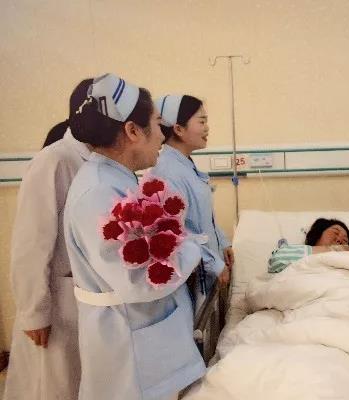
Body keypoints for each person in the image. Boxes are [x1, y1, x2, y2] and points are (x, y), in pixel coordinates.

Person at [64, 74, 223, 400]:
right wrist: (192, 248)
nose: (162, 135)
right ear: (133, 131)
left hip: (144, 335)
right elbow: (141, 279)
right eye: (156, 124)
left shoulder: (117, 179)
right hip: (129, 345)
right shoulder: (100, 192)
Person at [3, 78, 92, 400]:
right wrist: (34, 312)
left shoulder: (95, 160)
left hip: (82, 302)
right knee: (52, 386)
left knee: (76, 384)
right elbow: (31, 244)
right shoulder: (54, 161)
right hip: (56, 304)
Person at [150, 94, 232, 316]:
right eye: (201, 121)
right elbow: (176, 235)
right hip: (192, 274)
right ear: (178, 129)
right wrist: (214, 263)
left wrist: (222, 242)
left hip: (204, 265)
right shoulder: (168, 173)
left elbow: (201, 217)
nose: (207, 128)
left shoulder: (184, 165)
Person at [268, 218, 349, 273]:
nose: (340, 240)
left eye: (345, 241)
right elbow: (277, 261)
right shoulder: (293, 251)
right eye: (335, 233)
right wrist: (336, 249)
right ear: (318, 234)